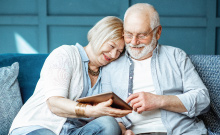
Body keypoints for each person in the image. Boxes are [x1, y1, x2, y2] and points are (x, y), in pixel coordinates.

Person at [9, 16, 132, 135]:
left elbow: (110, 113)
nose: (113, 54)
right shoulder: (65, 54)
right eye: (111, 46)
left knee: (109, 124)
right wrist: (90, 111)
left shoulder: (107, 72)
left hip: (74, 131)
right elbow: (54, 103)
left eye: (119, 52)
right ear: (99, 36)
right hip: (39, 126)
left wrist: (123, 130)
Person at [101, 3, 210, 135]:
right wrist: (122, 129)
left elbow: (203, 100)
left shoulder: (176, 56)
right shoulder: (112, 64)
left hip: (181, 131)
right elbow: (107, 110)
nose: (134, 42)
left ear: (157, 32)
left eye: (142, 35)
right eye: (129, 35)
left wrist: (159, 100)